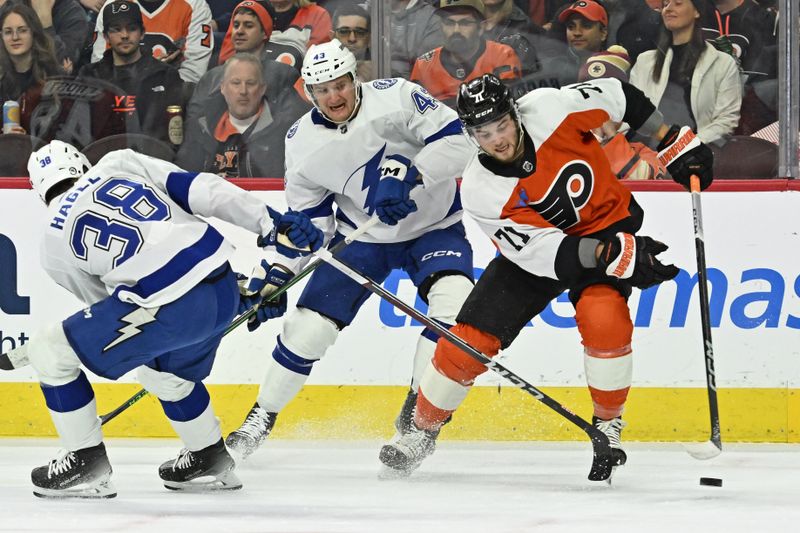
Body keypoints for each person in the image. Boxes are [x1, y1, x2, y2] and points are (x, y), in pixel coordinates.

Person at [378, 73, 714, 477]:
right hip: (539, 253)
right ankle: (421, 431)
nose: (497, 139)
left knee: (604, 318)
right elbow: (543, 254)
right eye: (484, 132)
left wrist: (668, 138)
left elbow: (619, 95)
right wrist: (607, 254)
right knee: (467, 341)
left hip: (605, 224)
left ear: (515, 113)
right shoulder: (482, 190)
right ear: (471, 134)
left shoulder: (554, 108)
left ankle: (608, 424)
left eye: (502, 124)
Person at [0, 140, 322, 498]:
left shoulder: (52, 243)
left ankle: (84, 459)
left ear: (38, 191)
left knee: (50, 351)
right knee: (163, 374)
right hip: (220, 282)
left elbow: (108, 304)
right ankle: (208, 458)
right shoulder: (118, 162)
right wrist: (269, 225)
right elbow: (203, 190)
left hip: (169, 307)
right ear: (83, 164)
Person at [224, 39, 477, 461]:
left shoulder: (397, 96)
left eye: (340, 85)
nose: (333, 97)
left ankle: (419, 426)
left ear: (355, 79)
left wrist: (412, 174)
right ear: (308, 91)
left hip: (436, 229)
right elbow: (311, 226)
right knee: (308, 329)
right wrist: (278, 275)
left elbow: (461, 142)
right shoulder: (302, 143)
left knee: (451, 312)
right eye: (321, 90)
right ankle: (260, 418)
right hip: (362, 240)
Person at [629, 0, 742, 146]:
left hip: (698, 155)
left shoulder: (723, 64)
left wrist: (686, 145)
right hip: (648, 157)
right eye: (666, 4)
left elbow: (727, 120)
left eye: (678, 3)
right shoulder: (645, 62)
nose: (668, 9)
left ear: (697, 11)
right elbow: (632, 112)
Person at [177, 52, 304, 177]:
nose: (243, 91)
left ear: (262, 89)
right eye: (236, 83)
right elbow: (186, 179)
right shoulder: (200, 127)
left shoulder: (286, 132)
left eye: (250, 83)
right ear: (223, 88)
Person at [77, 0, 184, 144]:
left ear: (142, 33)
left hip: (151, 162)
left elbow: (174, 138)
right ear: (107, 36)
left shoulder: (165, 76)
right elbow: (78, 131)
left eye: (132, 28)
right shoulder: (89, 76)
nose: (125, 35)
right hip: (99, 161)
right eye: (116, 29)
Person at [410, 0, 521, 109]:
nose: (456, 30)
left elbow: (507, 107)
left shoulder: (502, 55)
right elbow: (416, 114)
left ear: (481, 28)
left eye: (465, 23)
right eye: (449, 23)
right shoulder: (423, 64)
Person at [580, 45, 666, 180]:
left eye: (608, 99)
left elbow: (647, 186)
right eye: (590, 98)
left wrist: (611, 140)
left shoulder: (643, 151)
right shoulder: (561, 140)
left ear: (624, 104)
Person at [92, 0, 215, 84]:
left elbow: (193, 75)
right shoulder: (113, 6)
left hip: (171, 96)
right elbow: (99, 66)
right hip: (118, 94)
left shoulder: (194, 5)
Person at [0, 1, 61, 133]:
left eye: (22, 30)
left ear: (33, 33)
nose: (15, 37)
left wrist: (29, 139)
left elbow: (65, 131)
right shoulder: (2, 81)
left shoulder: (53, 75)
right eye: (8, 32)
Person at [217, 0, 306, 69]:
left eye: (248, 26)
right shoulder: (215, 73)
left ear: (264, 33)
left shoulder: (281, 70)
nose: (239, 31)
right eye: (236, 25)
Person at [390, 0, 444, 78]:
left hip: (413, 85)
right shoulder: (372, 9)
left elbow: (426, 66)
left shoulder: (432, 17)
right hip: (373, 83)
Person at [331, 3, 372, 80]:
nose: (352, 39)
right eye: (344, 32)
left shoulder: (381, 72)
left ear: (369, 38)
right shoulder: (317, 74)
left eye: (360, 32)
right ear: (332, 36)